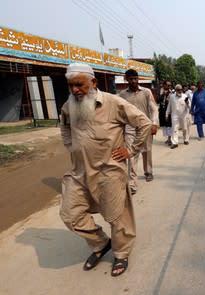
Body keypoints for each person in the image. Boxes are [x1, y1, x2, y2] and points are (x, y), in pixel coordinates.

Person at [59, 63, 152, 277]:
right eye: (71, 86)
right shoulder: (69, 105)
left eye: (79, 85)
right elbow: (64, 125)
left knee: (116, 217)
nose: (75, 90)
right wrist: (70, 146)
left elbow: (144, 123)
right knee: (70, 215)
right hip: (79, 172)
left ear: (93, 82)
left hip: (108, 172)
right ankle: (101, 243)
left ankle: (121, 253)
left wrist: (130, 150)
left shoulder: (113, 103)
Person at [119, 69, 158, 192]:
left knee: (147, 151)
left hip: (145, 126)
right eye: (130, 79)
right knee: (131, 154)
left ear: (138, 79)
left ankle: (148, 172)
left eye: (135, 79)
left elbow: (154, 109)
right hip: (130, 128)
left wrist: (154, 124)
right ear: (126, 79)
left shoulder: (146, 92)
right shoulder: (122, 95)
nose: (133, 81)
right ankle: (132, 183)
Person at [157, 81, 173, 145]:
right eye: (168, 85)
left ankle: (170, 139)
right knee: (164, 126)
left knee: (169, 125)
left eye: (170, 85)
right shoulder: (160, 91)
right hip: (162, 111)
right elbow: (157, 100)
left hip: (169, 112)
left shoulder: (172, 92)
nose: (169, 86)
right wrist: (163, 94)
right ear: (164, 85)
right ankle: (168, 138)